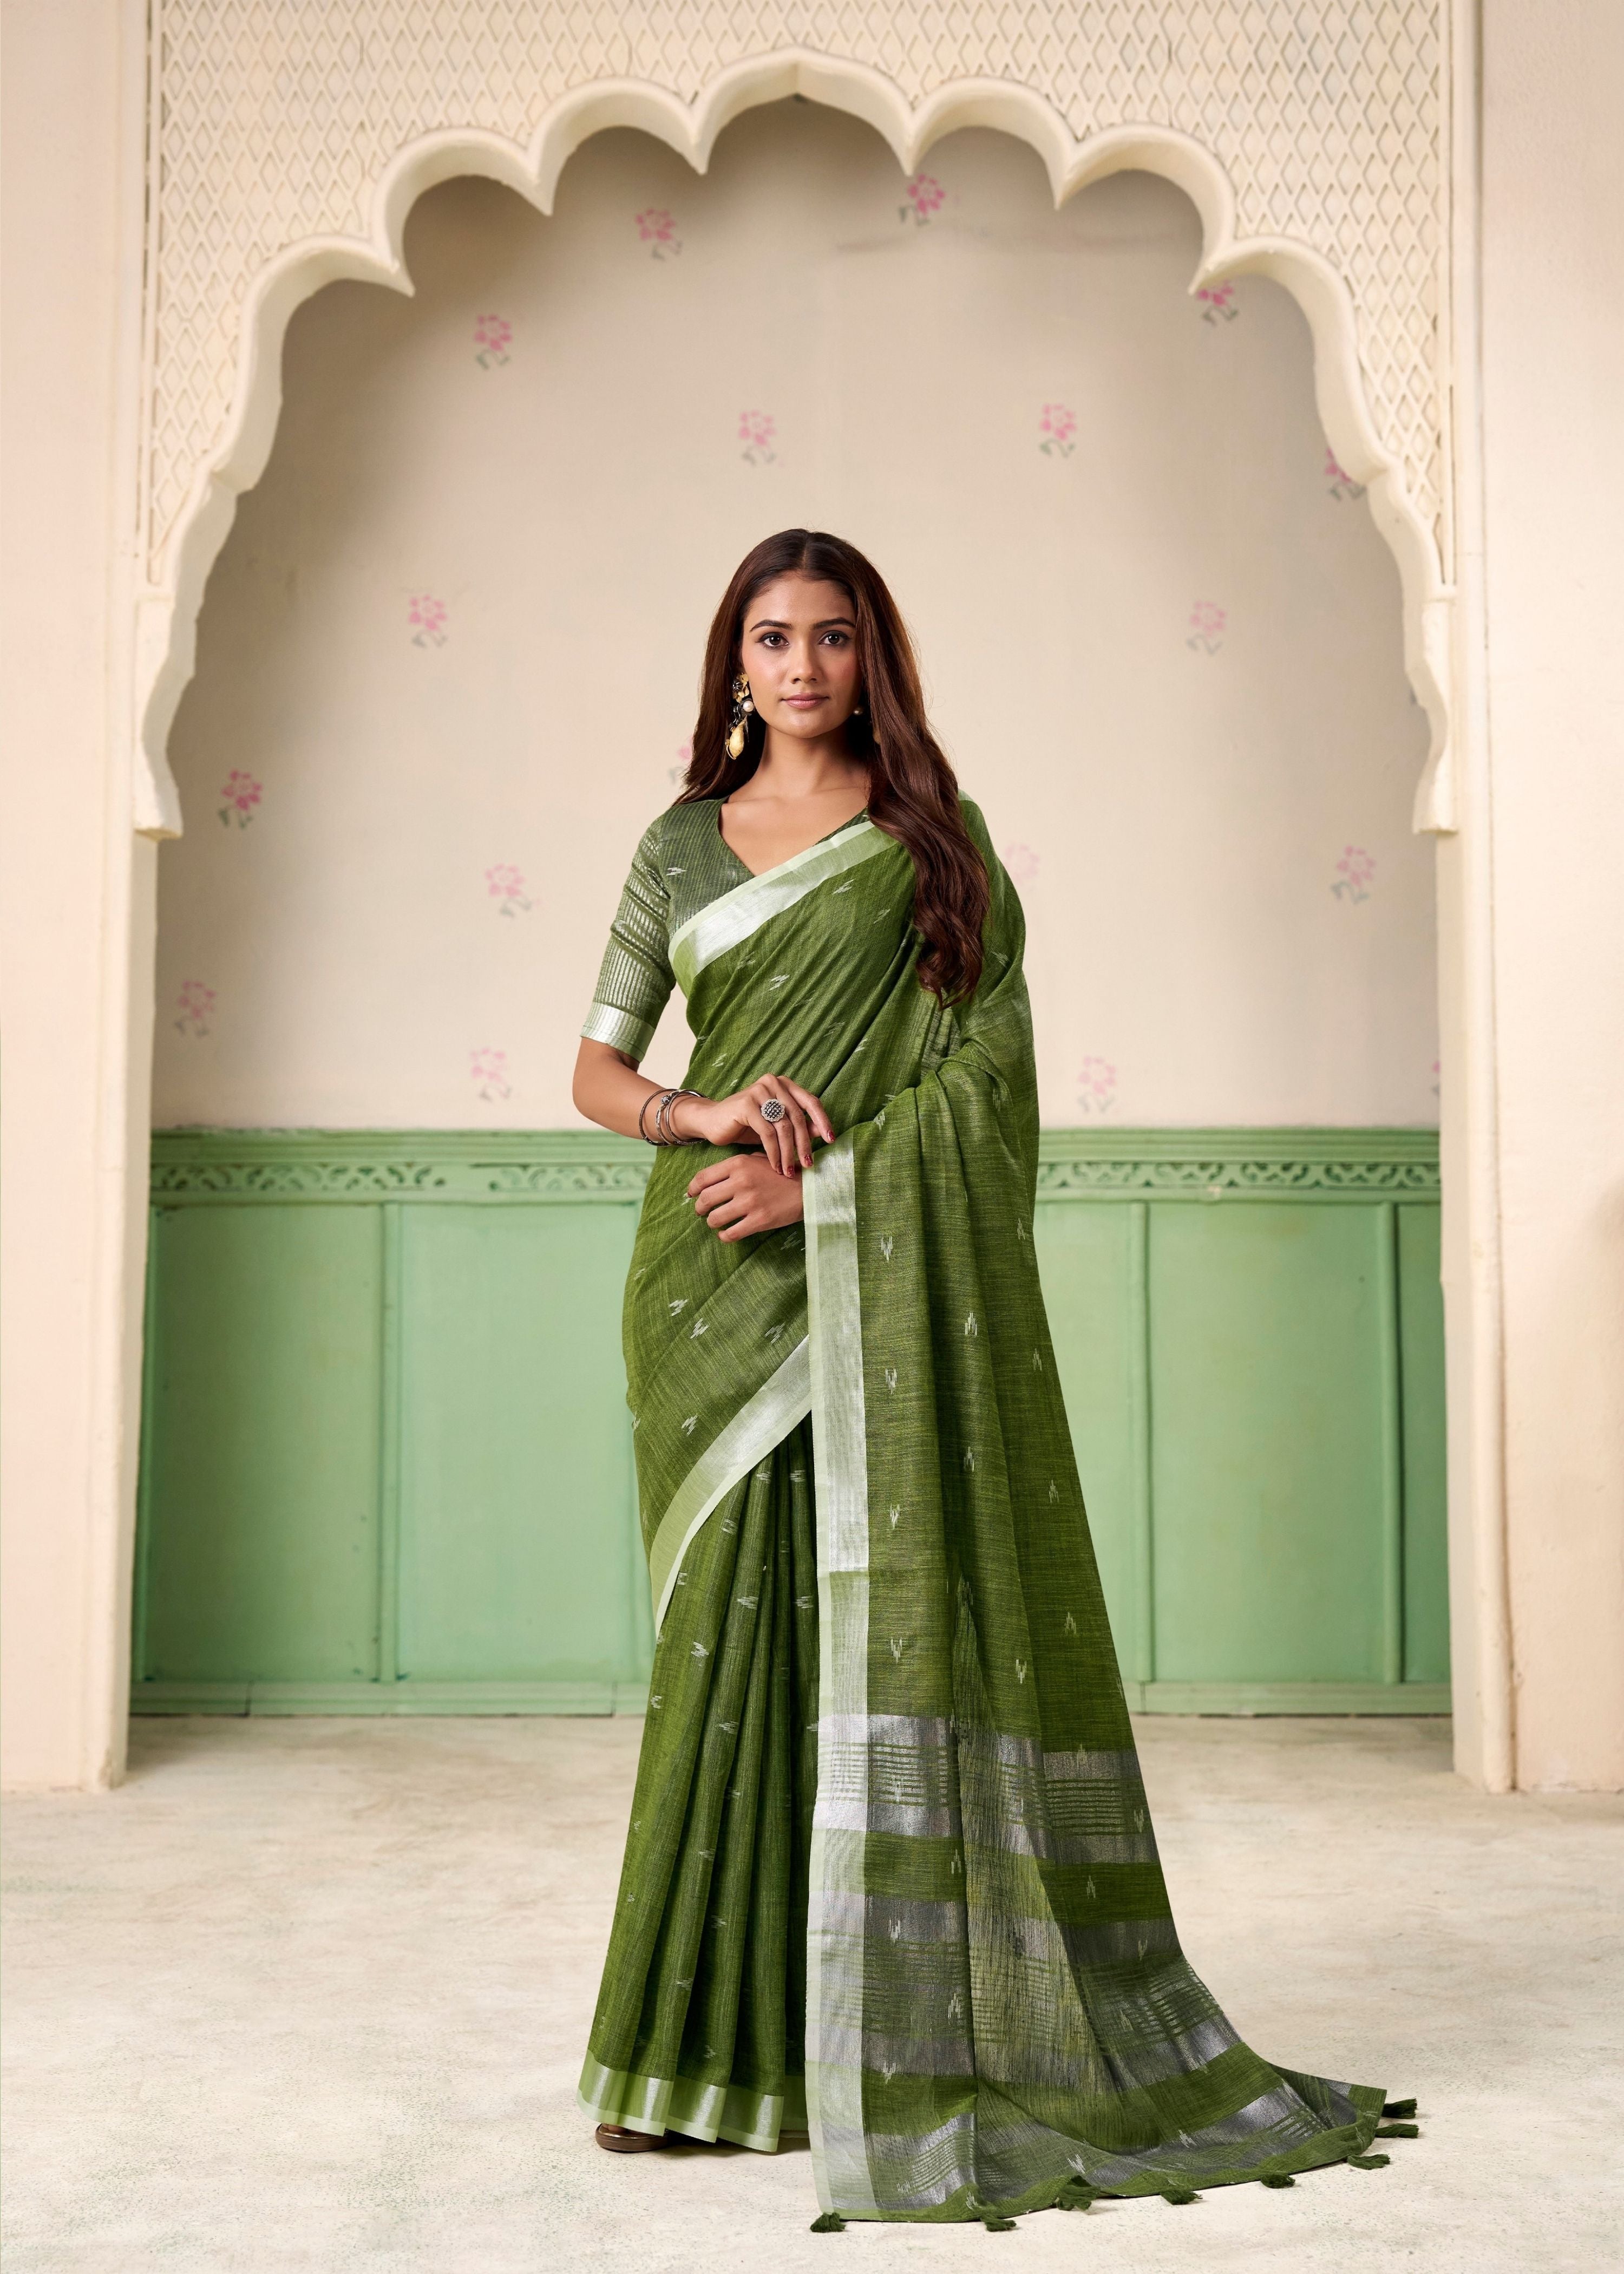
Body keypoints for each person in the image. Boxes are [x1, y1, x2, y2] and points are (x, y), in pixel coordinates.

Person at [571, 529, 1409, 2227]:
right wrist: (702, 1115)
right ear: (731, 664)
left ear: (873, 658)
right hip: (708, 1294)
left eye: (832, 639)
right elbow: (594, 1065)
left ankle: (874, 2040)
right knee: (729, 1659)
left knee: (877, 1644)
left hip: (851, 1267)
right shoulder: (678, 847)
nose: (802, 667)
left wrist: (833, 1187)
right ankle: (699, 2058)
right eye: (771, 638)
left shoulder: (929, 843)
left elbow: (991, 1073)